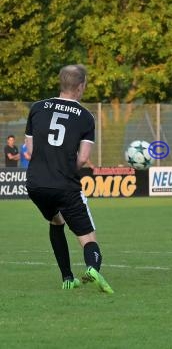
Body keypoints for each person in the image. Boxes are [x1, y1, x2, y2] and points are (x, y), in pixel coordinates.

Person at [25, 64, 113, 293]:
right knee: (87, 235)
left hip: (35, 183)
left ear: (60, 83)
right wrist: (64, 166)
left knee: (56, 221)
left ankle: (67, 278)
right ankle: (93, 268)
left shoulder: (37, 108)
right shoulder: (85, 117)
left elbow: (29, 150)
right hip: (64, 184)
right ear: (81, 86)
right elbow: (83, 158)